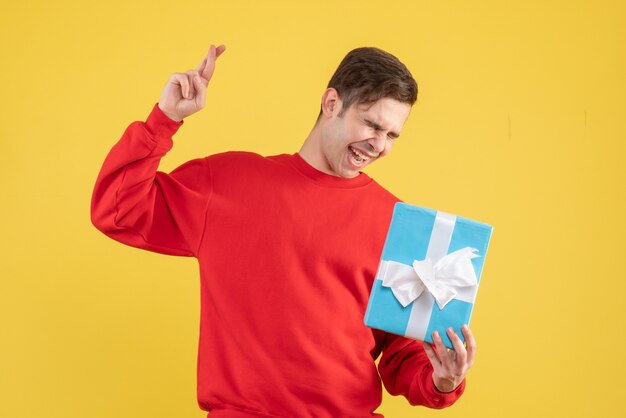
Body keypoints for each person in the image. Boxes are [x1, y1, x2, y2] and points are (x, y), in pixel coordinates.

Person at [91, 44, 476, 418]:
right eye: (372, 124)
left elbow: (402, 356)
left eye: (392, 135)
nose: (378, 145)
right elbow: (117, 209)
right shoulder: (225, 184)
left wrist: (442, 379)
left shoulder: (400, 224)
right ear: (331, 104)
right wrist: (164, 119)